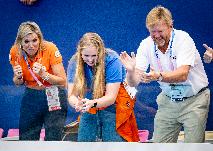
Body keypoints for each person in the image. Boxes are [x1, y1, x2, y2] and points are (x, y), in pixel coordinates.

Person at [120, 6, 210, 143]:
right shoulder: (145, 44)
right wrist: (131, 71)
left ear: (170, 26)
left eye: (160, 31)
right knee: (159, 149)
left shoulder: (183, 39)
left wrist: (159, 76)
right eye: (152, 31)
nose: (156, 35)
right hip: (168, 100)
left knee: (193, 150)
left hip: (195, 100)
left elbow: (183, 74)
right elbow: (133, 82)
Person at [67, 32, 139, 142]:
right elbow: (72, 95)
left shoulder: (112, 59)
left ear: (100, 53)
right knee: (85, 143)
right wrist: (77, 103)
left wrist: (92, 103)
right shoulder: (74, 62)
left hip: (113, 106)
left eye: (94, 56)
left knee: (113, 146)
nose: (90, 60)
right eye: (86, 56)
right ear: (80, 53)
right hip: (88, 106)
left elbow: (110, 98)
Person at [9, 21, 67, 140]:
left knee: (53, 138)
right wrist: (18, 77)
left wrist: (43, 74)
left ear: (39, 39)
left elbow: (62, 81)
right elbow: (18, 82)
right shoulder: (15, 52)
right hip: (31, 95)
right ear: (20, 42)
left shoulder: (50, 48)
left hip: (53, 93)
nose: (31, 45)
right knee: (27, 139)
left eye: (34, 40)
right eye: (26, 41)